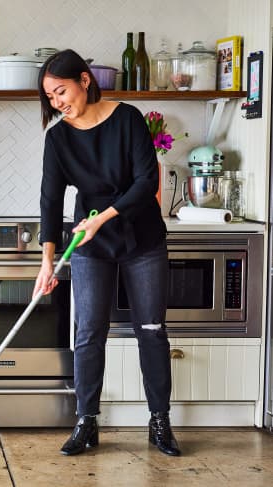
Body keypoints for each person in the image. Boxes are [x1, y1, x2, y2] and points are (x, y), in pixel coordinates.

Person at [33, 49, 180, 457]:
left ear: (84, 80)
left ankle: (160, 422)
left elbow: (145, 180)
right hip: (91, 245)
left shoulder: (128, 118)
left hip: (142, 237)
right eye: (49, 97)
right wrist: (47, 261)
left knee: (150, 330)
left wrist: (103, 217)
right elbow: (50, 201)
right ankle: (86, 421)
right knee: (88, 333)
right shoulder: (58, 138)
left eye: (60, 90)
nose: (57, 102)